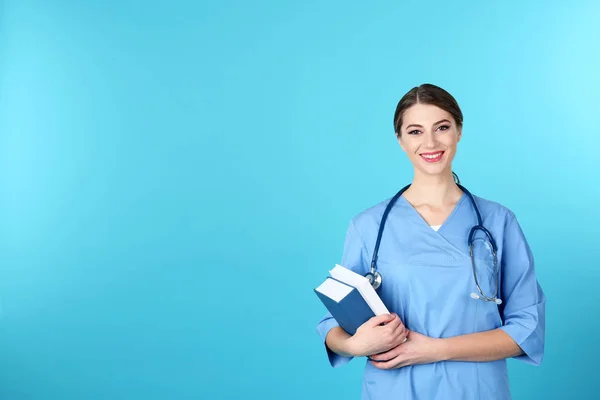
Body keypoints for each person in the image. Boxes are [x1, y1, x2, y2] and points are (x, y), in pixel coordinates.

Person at [315, 83, 546, 399]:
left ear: (459, 132)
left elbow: (526, 328)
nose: (430, 142)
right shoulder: (368, 226)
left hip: (476, 389)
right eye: (415, 131)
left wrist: (435, 350)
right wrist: (355, 344)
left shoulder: (498, 222)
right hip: (394, 389)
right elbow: (333, 324)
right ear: (399, 140)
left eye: (442, 127)